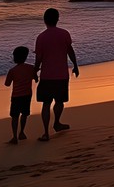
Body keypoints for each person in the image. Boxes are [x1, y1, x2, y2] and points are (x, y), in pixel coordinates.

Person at [33, 8, 79, 142]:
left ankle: (46, 133)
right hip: (62, 75)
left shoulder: (41, 37)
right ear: (57, 19)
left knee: (46, 104)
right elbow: (70, 51)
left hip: (46, 76)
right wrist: (75, 65)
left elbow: (39, 59)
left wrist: (35, 71)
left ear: (44, 20)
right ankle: (57, 122)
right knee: (59, 101)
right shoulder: (64, 34)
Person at [5, 46, 37, 144]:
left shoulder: (13, 70)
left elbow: (7, 84)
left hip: (16, 96)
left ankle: (14, 136)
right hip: (27, 95)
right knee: (24, 114)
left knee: (15, 116)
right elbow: (35, 78)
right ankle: (22, 132)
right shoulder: (31, 68)